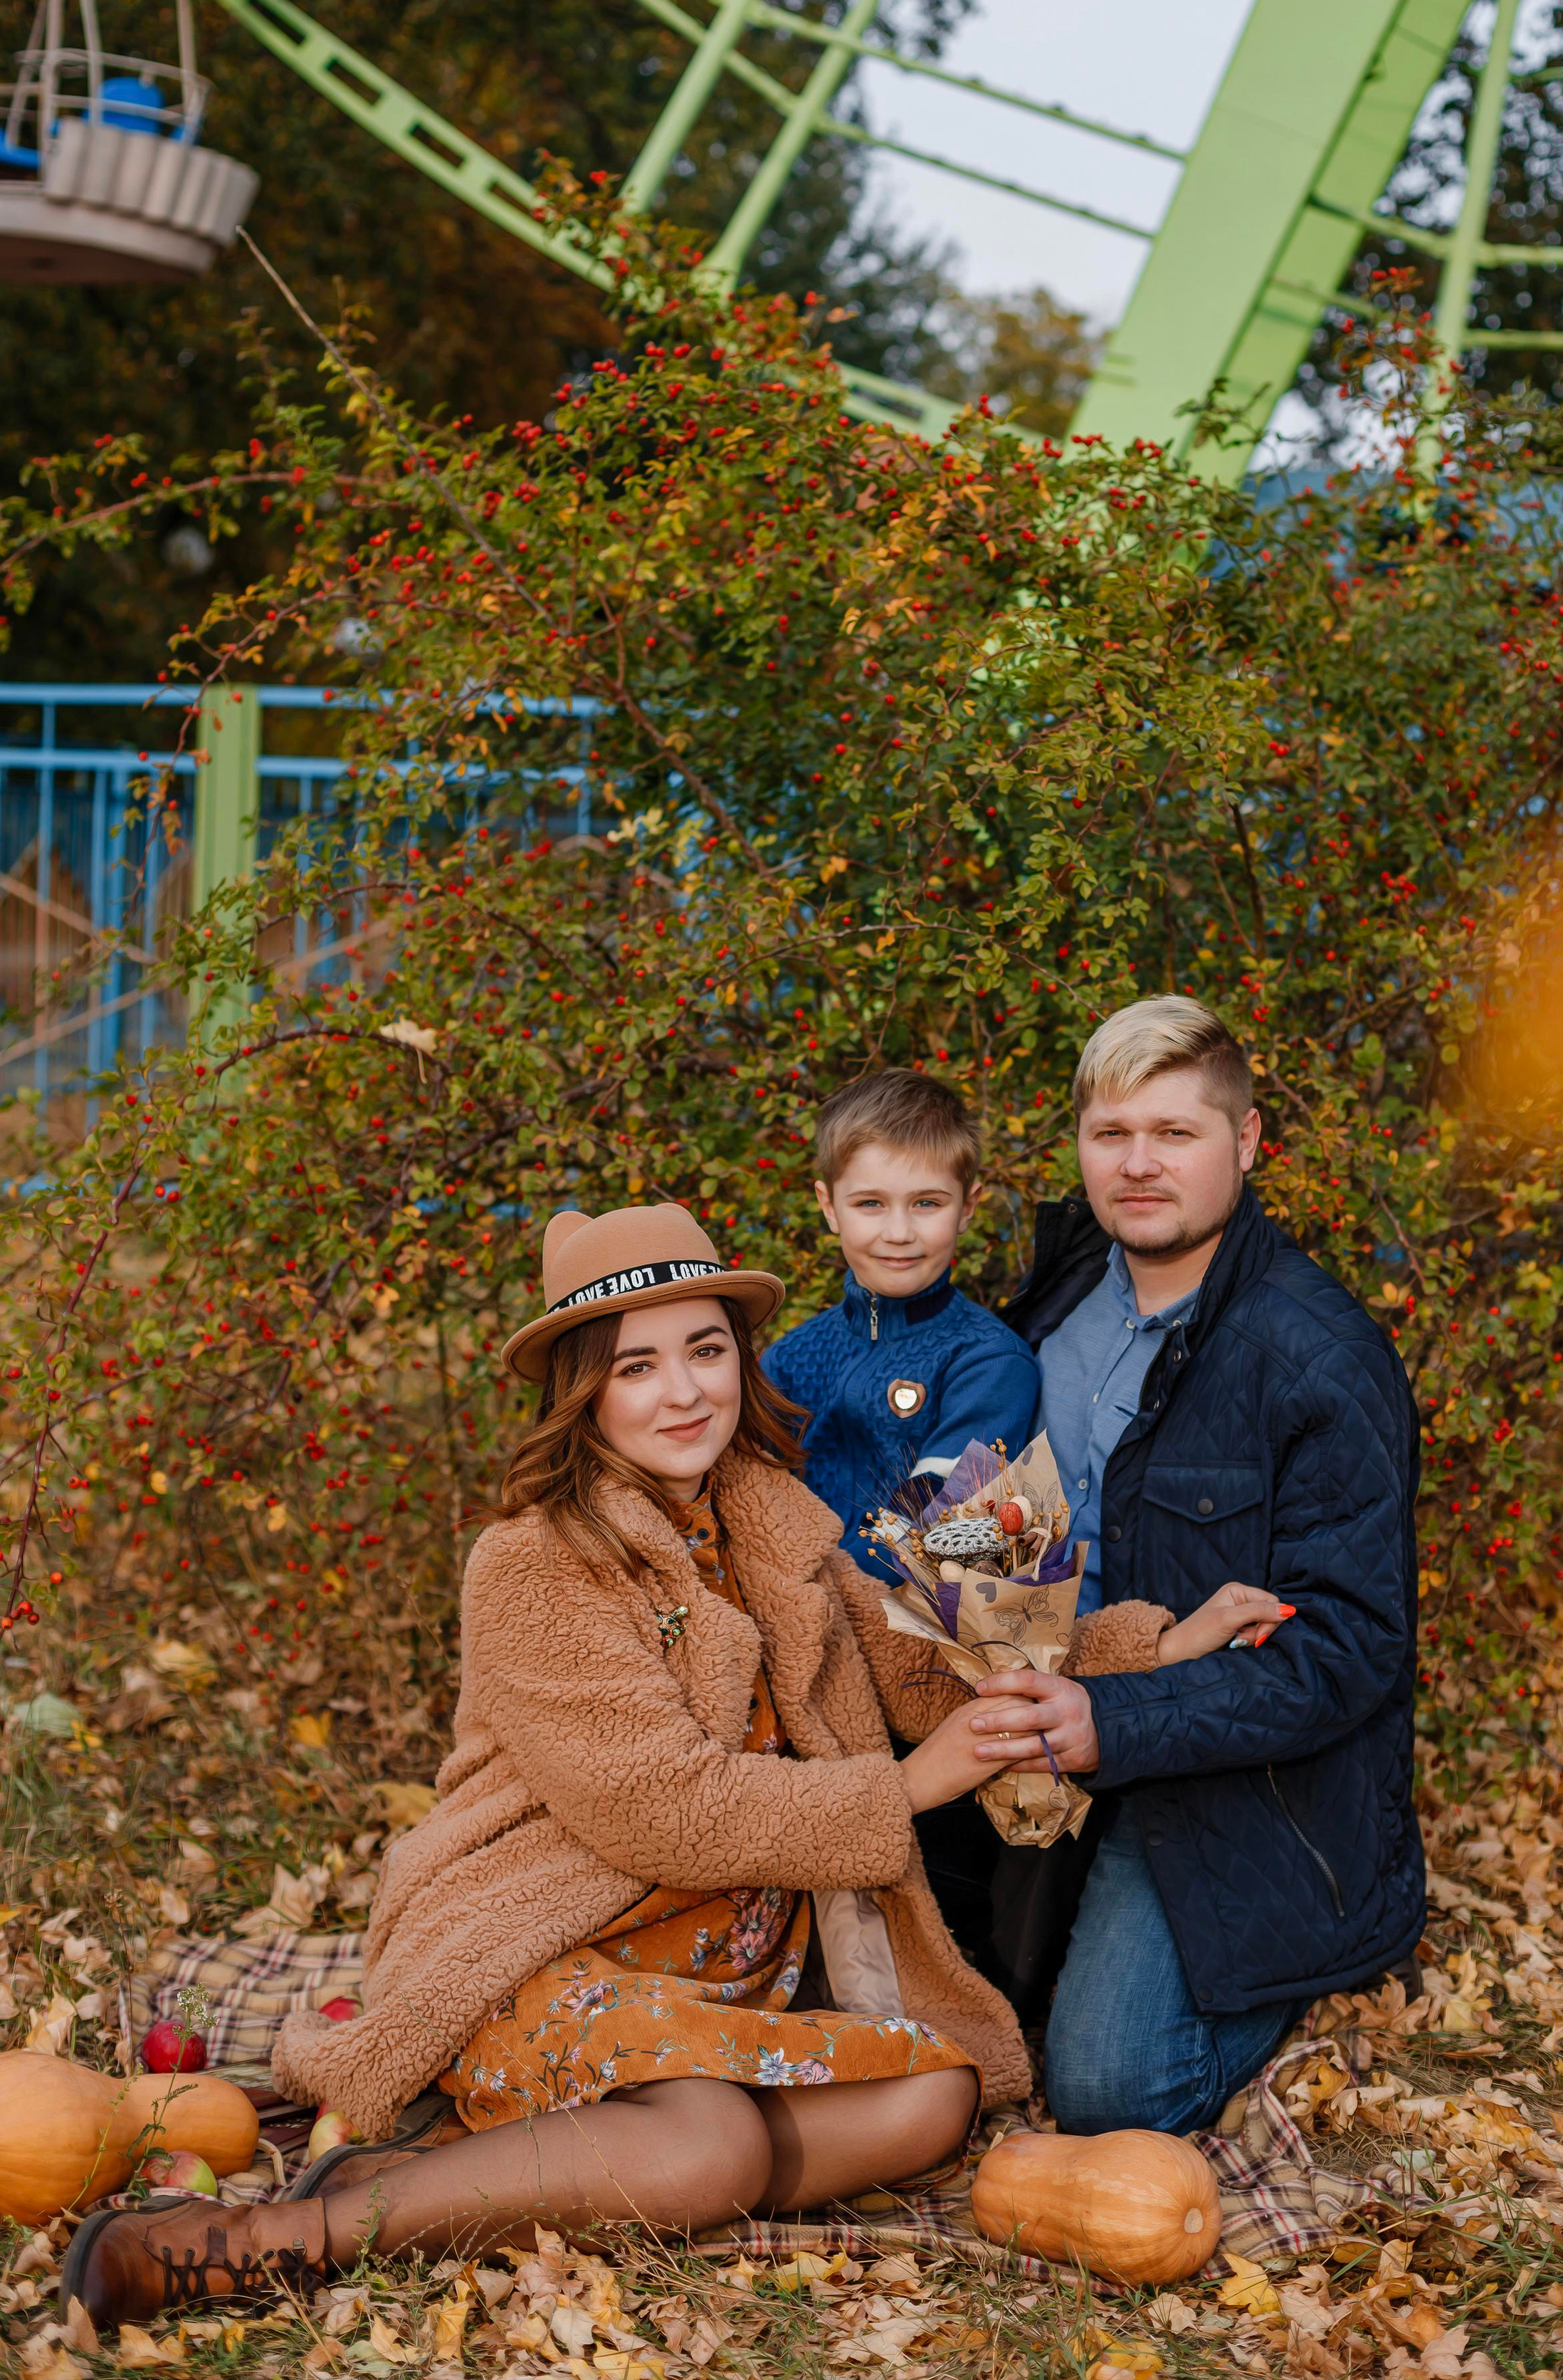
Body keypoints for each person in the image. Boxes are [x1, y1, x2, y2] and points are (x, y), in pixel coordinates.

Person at [62, 1202, 1274, 2327]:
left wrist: (1162, 1644)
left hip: (722, 1981)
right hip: (542, 1941)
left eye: (704, 1352)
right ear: (582, 1395)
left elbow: (923, 1677)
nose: (682, 1393)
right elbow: (662, 1810)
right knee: (716, 2151)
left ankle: (483, 2174)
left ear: (742, 1363)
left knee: (938, 2099)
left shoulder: (778, 1524)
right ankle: (301, 2228)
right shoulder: (535, 1562)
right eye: (635, 1368)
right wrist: (910, 1786)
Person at [976, 997, 1426, 2137]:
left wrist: (1114, 1724)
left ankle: (1300, 1966)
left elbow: (1345, 1651)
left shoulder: (1319, 1359)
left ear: (1247, 1141)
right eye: (1109, 1133)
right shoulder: (1055, 1301)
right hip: (1038, 1718)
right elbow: (1000, 1511)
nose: (1137, 1165)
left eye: (1175, 1133)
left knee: (1106, 2089)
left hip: (1223, 1774)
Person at [764, 1070, 1038, 1568]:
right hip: (785, 1611)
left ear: (967, 1207)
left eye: (926, 1203)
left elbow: (937, 1520)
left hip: (910, 1627)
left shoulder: (990, 1363)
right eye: (870, 1203)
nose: (898, 1232)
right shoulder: (788, 1359)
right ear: (829, 1207)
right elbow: (746, 1496)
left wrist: (820, 1591)